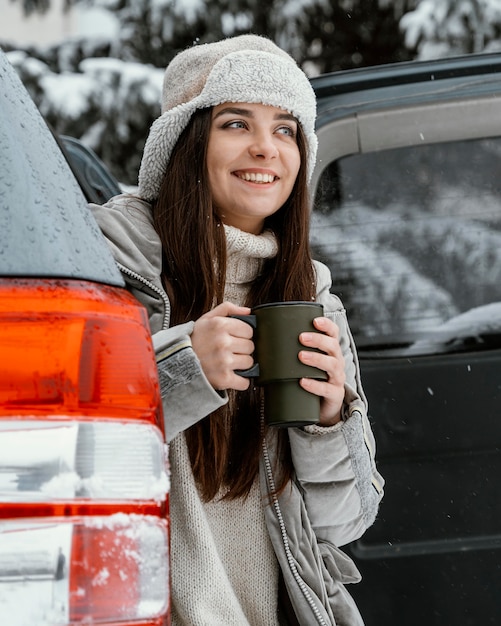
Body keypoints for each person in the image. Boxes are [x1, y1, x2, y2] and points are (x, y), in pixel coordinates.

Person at [90, 34, 384, 626]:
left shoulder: (309, 290)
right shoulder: (106, 261)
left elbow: (346, 522)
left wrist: (328, 422)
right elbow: (61, 457)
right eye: (235, 123)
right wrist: (178, 371)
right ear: (186, 141)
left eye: (285, 129)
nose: (264, 148)